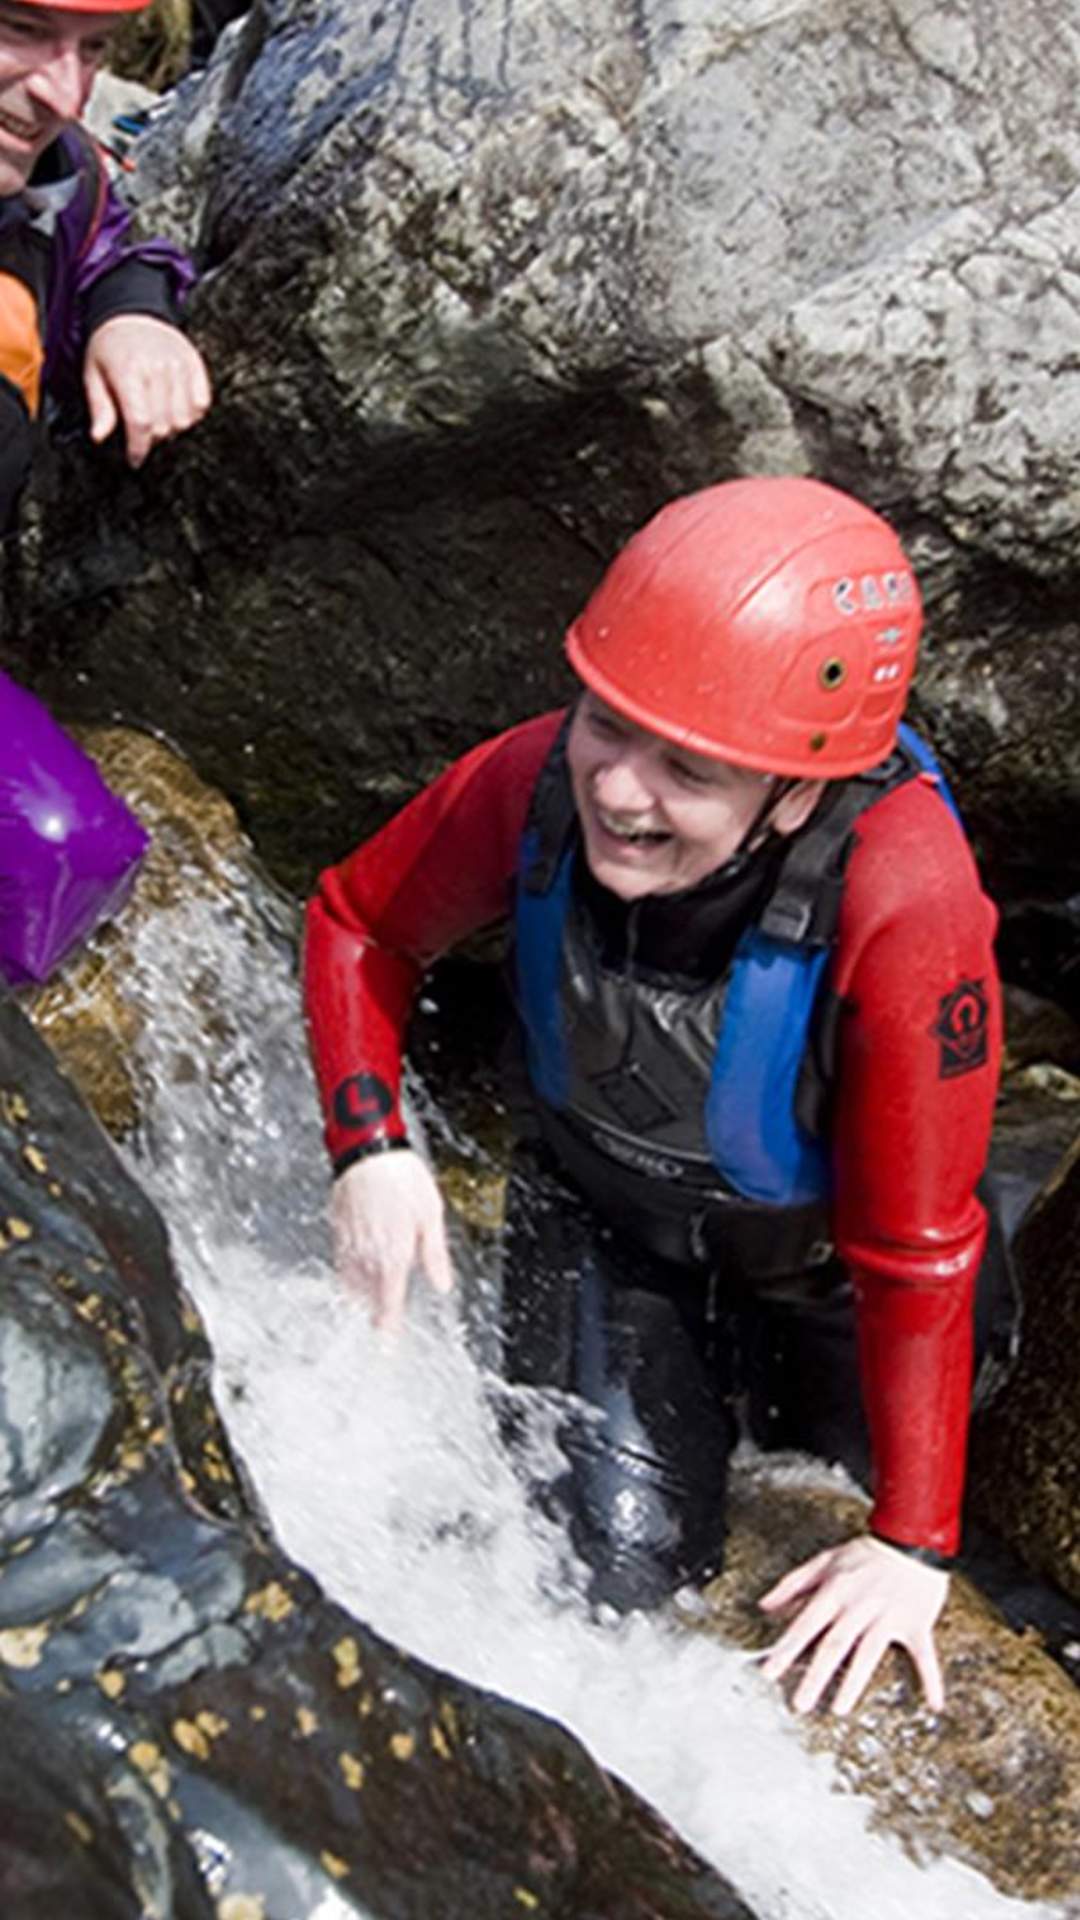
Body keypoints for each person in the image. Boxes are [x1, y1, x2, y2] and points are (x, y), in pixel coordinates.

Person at [303, 476, 1003, 1718]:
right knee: (605, 1596)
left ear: (795, 792)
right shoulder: (534, 784)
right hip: (610, 1222)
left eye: (687, 767)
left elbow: (915, 1250)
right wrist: (372, 1143)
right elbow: (357, 923)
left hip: (832, 1271)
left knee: (893, 1542)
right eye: (607, 725)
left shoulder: (906, 900)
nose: (620, 790)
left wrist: (913, 1544)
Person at [0, 0, 211, 531]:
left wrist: (129, 312)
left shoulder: (57, 183)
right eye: (22, 30)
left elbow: (105, 249)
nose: (66, 98)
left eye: (93, 47)